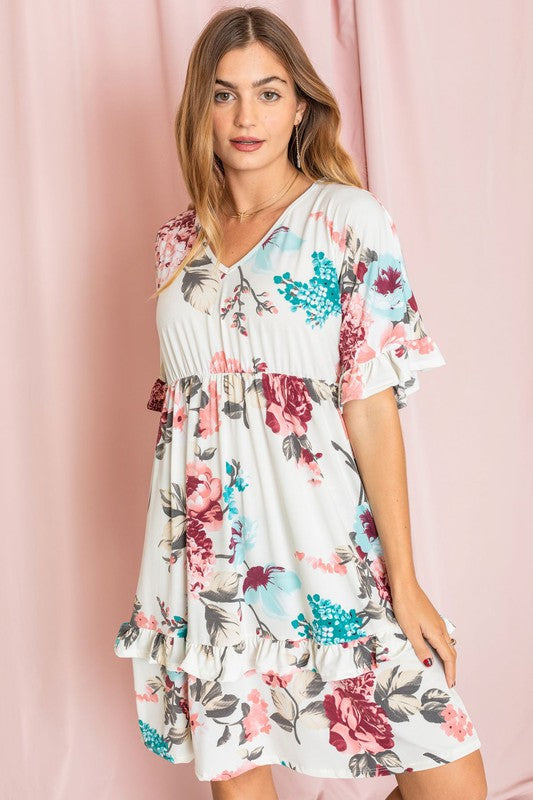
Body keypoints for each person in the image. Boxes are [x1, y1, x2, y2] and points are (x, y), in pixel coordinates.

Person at [113, 6, 488, 799]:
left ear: (301, 104)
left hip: (323, 545)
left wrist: (403, 575)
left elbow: (369, 403)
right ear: (199, 109)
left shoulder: (347, 219)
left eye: (268, 92)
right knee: (237, 771)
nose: (245, 116)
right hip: (204, 551)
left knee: (449, 776)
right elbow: (190, 413)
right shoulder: (175, 243)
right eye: (223, 94)